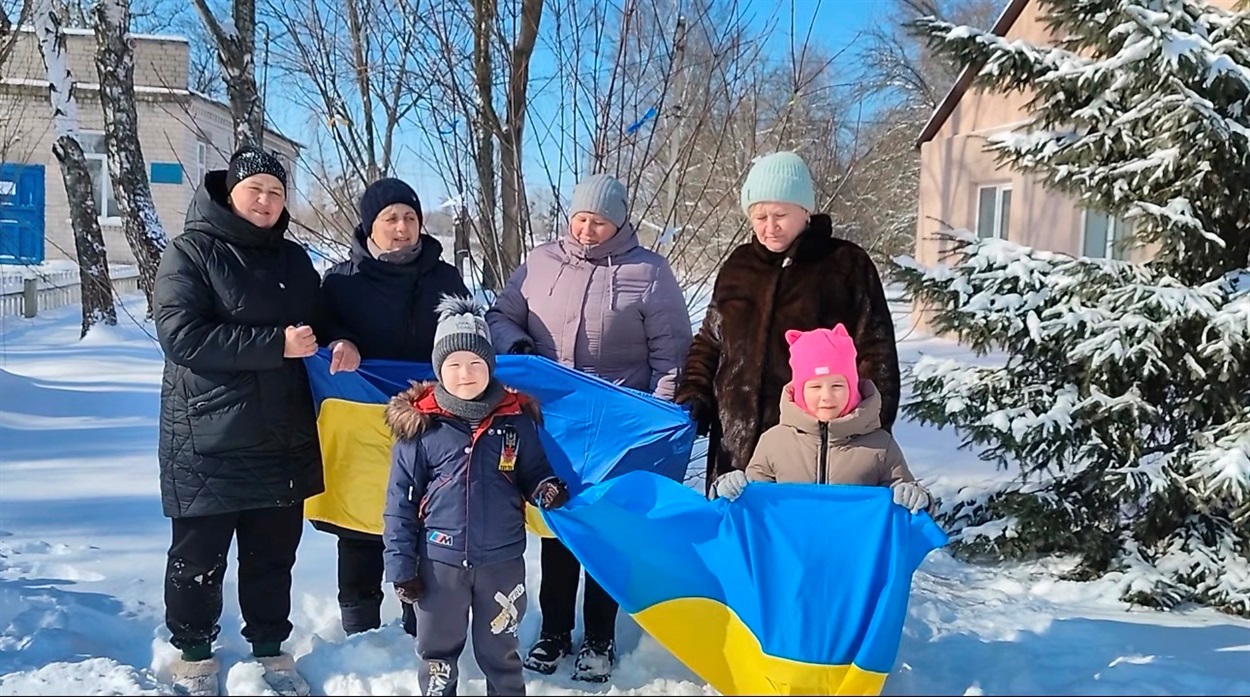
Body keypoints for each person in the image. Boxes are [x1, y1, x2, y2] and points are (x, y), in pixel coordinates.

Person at [486, 173, 692, 682]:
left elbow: (671, 356)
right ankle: (554, 629)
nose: (586, 229)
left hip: (619, 430)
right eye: (580, 218)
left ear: (619, 222)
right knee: (558, 524)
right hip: (552, 423)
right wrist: (518, 349)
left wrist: (656, 419)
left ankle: (600, 636)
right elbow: (499, 316)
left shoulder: (649, 272)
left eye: (598, 221)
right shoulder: (540, 262)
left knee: (607, 530)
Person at [154, 147, 342, 697]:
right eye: (255, 189)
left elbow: (322, 321)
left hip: (281, 432)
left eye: (276, 192)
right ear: (230, 193)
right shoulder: (190, 252)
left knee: (272, 555)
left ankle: (269, 649)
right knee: (198, 558)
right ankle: (194, 657)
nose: (265, 200)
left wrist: (341, 339)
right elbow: (182, 336)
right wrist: (275, 344)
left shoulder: (293, 260)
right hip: (207, 435)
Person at [673, 151, 901, 496]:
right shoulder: (738, 267)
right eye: (759, 216)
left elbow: (876, 351)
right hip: (734, 451)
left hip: (817, 456)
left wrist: (865, 429)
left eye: (780, 215)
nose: (770, 226)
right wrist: (694, 394)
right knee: (737, 529)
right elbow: (710, 342)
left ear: (805, 211)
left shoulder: (845, 264)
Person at [382, 296, 570, 697]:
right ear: (439, 369)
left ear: (490, 366)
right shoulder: (422, 428)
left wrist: (545, 488)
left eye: (475, 363)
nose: (465, 374)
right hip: (439, 563)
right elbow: (399, 502)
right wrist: (401, 565)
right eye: (454, 365)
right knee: (437, 651)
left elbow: (533, 471)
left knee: (501, 651)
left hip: (501, 561)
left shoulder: (514, 419)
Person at [316, 177, 470, 637]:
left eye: (410, 218)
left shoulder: (445, 278)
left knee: (425, 516)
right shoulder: (341, 280)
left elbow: (466, 332)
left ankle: (418, 621)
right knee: (360, 520)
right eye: (391, 219)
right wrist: (341, 341)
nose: (402, 227)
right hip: (362, 417)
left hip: (431, 419)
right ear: (369, 225)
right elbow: (322, 329)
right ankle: (359, 627)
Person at [712, 325, 932, 516]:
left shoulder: (880, 446)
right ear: (799, 390)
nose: (826, 396)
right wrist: (727, 488)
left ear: (852, 387)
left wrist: (916, 497)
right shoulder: (774, 443)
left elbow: (911, 513)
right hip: (789, 551)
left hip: (853, 551)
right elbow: (750, 506)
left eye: (837, 385)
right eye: (815, 386)